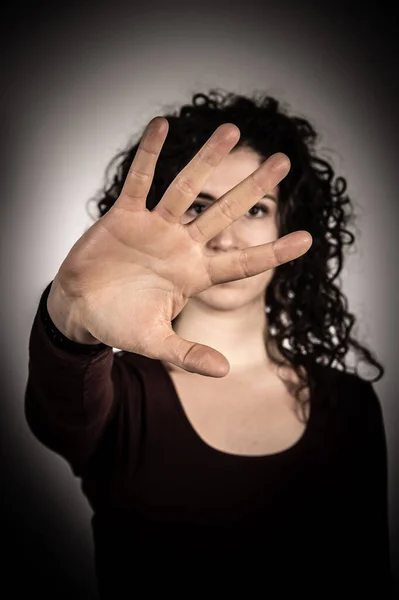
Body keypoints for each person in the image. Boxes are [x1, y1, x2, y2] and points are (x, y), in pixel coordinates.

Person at [24, 89, 393, 597]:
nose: (224, 238)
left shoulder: (349, 406)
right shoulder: (120, 395)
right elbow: (58, 400)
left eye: (255, 210)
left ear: (290, 224)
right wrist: (69, 307)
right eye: (200, 207)